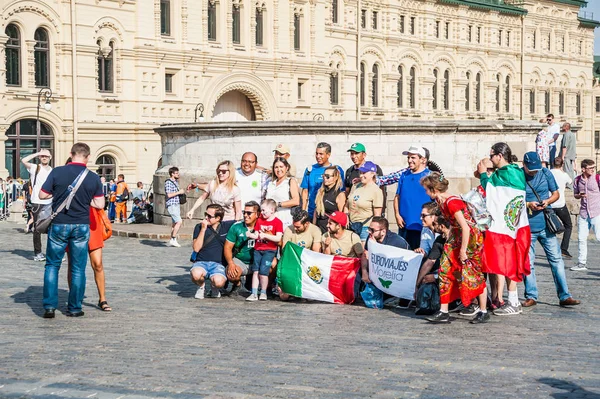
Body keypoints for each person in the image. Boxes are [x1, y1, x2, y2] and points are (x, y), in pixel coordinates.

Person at [39, 143, 105, 318]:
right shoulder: (93, 177)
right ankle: (75, 308)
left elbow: (42, 195)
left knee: (52, 265)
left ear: (71, 154)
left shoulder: (57, 172)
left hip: (59, 223)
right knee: (77, 268)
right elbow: (100, 204)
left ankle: (50, 307)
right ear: (88, 157)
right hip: (81, 225)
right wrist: (85, 201)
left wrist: (59, 194)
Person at [420, 172, 489, 324]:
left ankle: (483, 310)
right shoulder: (440, 202)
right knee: (445, 270)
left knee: (473, 273)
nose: (425, 192)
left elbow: (465, 227)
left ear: (434, 189)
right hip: (456, 236)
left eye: (426, 189)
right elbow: (454, 225)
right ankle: (443, 311)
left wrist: (463, 250)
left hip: (470, 239)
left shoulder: (452, 202)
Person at [520, 152, 580, 308]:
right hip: (527, 226)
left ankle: (564, 295)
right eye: (531, 169)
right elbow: (514, 198)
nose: (535, 172)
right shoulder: (519, 176)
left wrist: (547, 201)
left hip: (546, 225)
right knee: (529, 263)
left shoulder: (545, 172)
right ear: (524, 165)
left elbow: (556, 194)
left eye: (536, 169)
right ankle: (531, 296)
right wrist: (528, 204)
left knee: (556, 261)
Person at [477, 143, 531, 316]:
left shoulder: (504, 174)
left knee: (507, 263)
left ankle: (513, 302)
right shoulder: (517, 171)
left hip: (506, 228)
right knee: (511, 263)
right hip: (516, 226)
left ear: (500, 156)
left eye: (492, 155)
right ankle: (512, 300)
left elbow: (491, 193)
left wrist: (483, 174)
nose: (491, 158)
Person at [190, 204, 234, 300]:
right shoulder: (199, 227)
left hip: (218, 264)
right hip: (201, 262)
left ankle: (214, 288)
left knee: (219, 282)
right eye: (205, 214)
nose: (206, 218)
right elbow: (196, 248)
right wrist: (203, 229)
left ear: (218, 218)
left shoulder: (226, 227)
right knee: (196, 275)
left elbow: (242, 221)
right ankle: (201, 286)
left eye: (209, 216)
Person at [393, 145, 432, 250]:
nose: (409, 160)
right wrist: (397, 215)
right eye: (408, 158)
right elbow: (397, 197)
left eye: (413, 157)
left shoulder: (430, 176)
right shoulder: (404, 175)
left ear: (423, 160)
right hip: (404, 225)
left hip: (422, 227)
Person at [246, 199, 283, 301]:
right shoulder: (260, 220)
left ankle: (263, 292)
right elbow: (257, 234)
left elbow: (278, 238)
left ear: (272, 210)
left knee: (263, 272)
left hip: (269, 250)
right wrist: (251, 235)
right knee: (256, 271)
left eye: (264, 211)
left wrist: (265, 236)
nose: (262, 213)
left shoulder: (277, 222)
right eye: (261, 211)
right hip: (258, 249)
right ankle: (254, 292)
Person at [21, 149, 53, 262]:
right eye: (42, 156)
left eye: (46, 156)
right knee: (37, 229)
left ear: (50, 158)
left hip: (50, 202)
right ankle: (38, 253)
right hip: (37, 201)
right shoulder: (35, 168)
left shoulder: (53, 171)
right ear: (40, 157)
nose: (44, 158)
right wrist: (37, 153)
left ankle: (52, 253)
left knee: (52, 229)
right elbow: (23, 160)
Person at [224, 201, 260, 296]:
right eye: (244, 212)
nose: (245, 215)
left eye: (249, 213)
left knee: (272, 264)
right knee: (231, 273)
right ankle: (237, 284)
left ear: (257, 214)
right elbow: (227, 247)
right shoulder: (236, 227)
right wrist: (231, 263)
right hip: (241, 261)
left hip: (258, 261)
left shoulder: (263, 226)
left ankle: (267, 288)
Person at [301, 142, 344, 221]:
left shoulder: (336, 170)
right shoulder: (310, 170)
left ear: (328, 155)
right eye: (316, 153)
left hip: (330, 214)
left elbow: (341, 192)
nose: (318, 156)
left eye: (321, 154)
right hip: (312, 212)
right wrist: (303, 211)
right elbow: (305, 192)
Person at [360, 216, 410, 283]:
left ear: (383, 231)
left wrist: (375, 246)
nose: (369, 232)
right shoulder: (371, 237)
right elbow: (365, 254)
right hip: (379, 273)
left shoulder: (396, 242)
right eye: (369, 229)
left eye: (372, 230)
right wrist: (364, 271)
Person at [571, 159, 600, 271]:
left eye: (594, 167)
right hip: (583, 213)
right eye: (590, 168)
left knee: (599, 237)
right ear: (583, 169)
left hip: (596, 212)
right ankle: (581, 263)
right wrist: (579, 195)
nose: (593, 170)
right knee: (581, 238)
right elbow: (575, 195)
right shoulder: (577, 180)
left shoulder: (597, 178)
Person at [347, 161, 384, 242]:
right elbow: (347, 204)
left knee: (363, 253)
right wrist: (346, 216)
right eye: (360, 172)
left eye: (364, 173)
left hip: (365, 227)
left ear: (372, 174)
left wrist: (374, 231)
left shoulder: (376, 191)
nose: (361, 175)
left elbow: (377, 215)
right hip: (351, 225)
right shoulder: (355, 186)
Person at [344, 143, 385, 211]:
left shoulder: (374, 168)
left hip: (370, 211)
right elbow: (347, 192)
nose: (354, 156)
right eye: (352, 154)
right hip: (354, 212)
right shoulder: (349, 171)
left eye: (356, 153)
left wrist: (381, 211)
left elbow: (381, 190)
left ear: (364, 155)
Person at [265, 157, 300, 229]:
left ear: (286, 168)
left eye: (281, 167)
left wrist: (278, 204)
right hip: (271, 218)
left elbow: (296, 201)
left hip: (285, 218)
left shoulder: (290, 181)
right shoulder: (271, 183)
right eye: (276, 167)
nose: (278, 170)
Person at [550, 157, 574, 259]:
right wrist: (562, 171)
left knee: (549, 228)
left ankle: (552, 250)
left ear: (552, 163)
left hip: (550, 203)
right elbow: (570, 182)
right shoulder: (564, 175)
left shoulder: (548, 172)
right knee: (568, 225)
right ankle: (564, 249)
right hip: (560, 204)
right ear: (562, 164)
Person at [313, 166, 346, 233]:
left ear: (335, 178)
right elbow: (316, 210)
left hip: (330, 230)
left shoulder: (340, 195)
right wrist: (313, 226)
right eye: (324, 176)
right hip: (318, 228)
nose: (325, 178)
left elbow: (341, 216)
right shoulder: (320, 192)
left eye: (328, 176)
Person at [165, 166, 185, 247]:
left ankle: (172, 239)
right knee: (179, 222)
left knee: (174, 223)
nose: (178, 174)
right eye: (176, 173)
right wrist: (179, 192)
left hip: (176, 204)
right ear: (172, 174)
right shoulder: (168, 182)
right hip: (172, 204)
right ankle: (173, 238)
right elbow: (169, 194)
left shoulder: (175, 182)